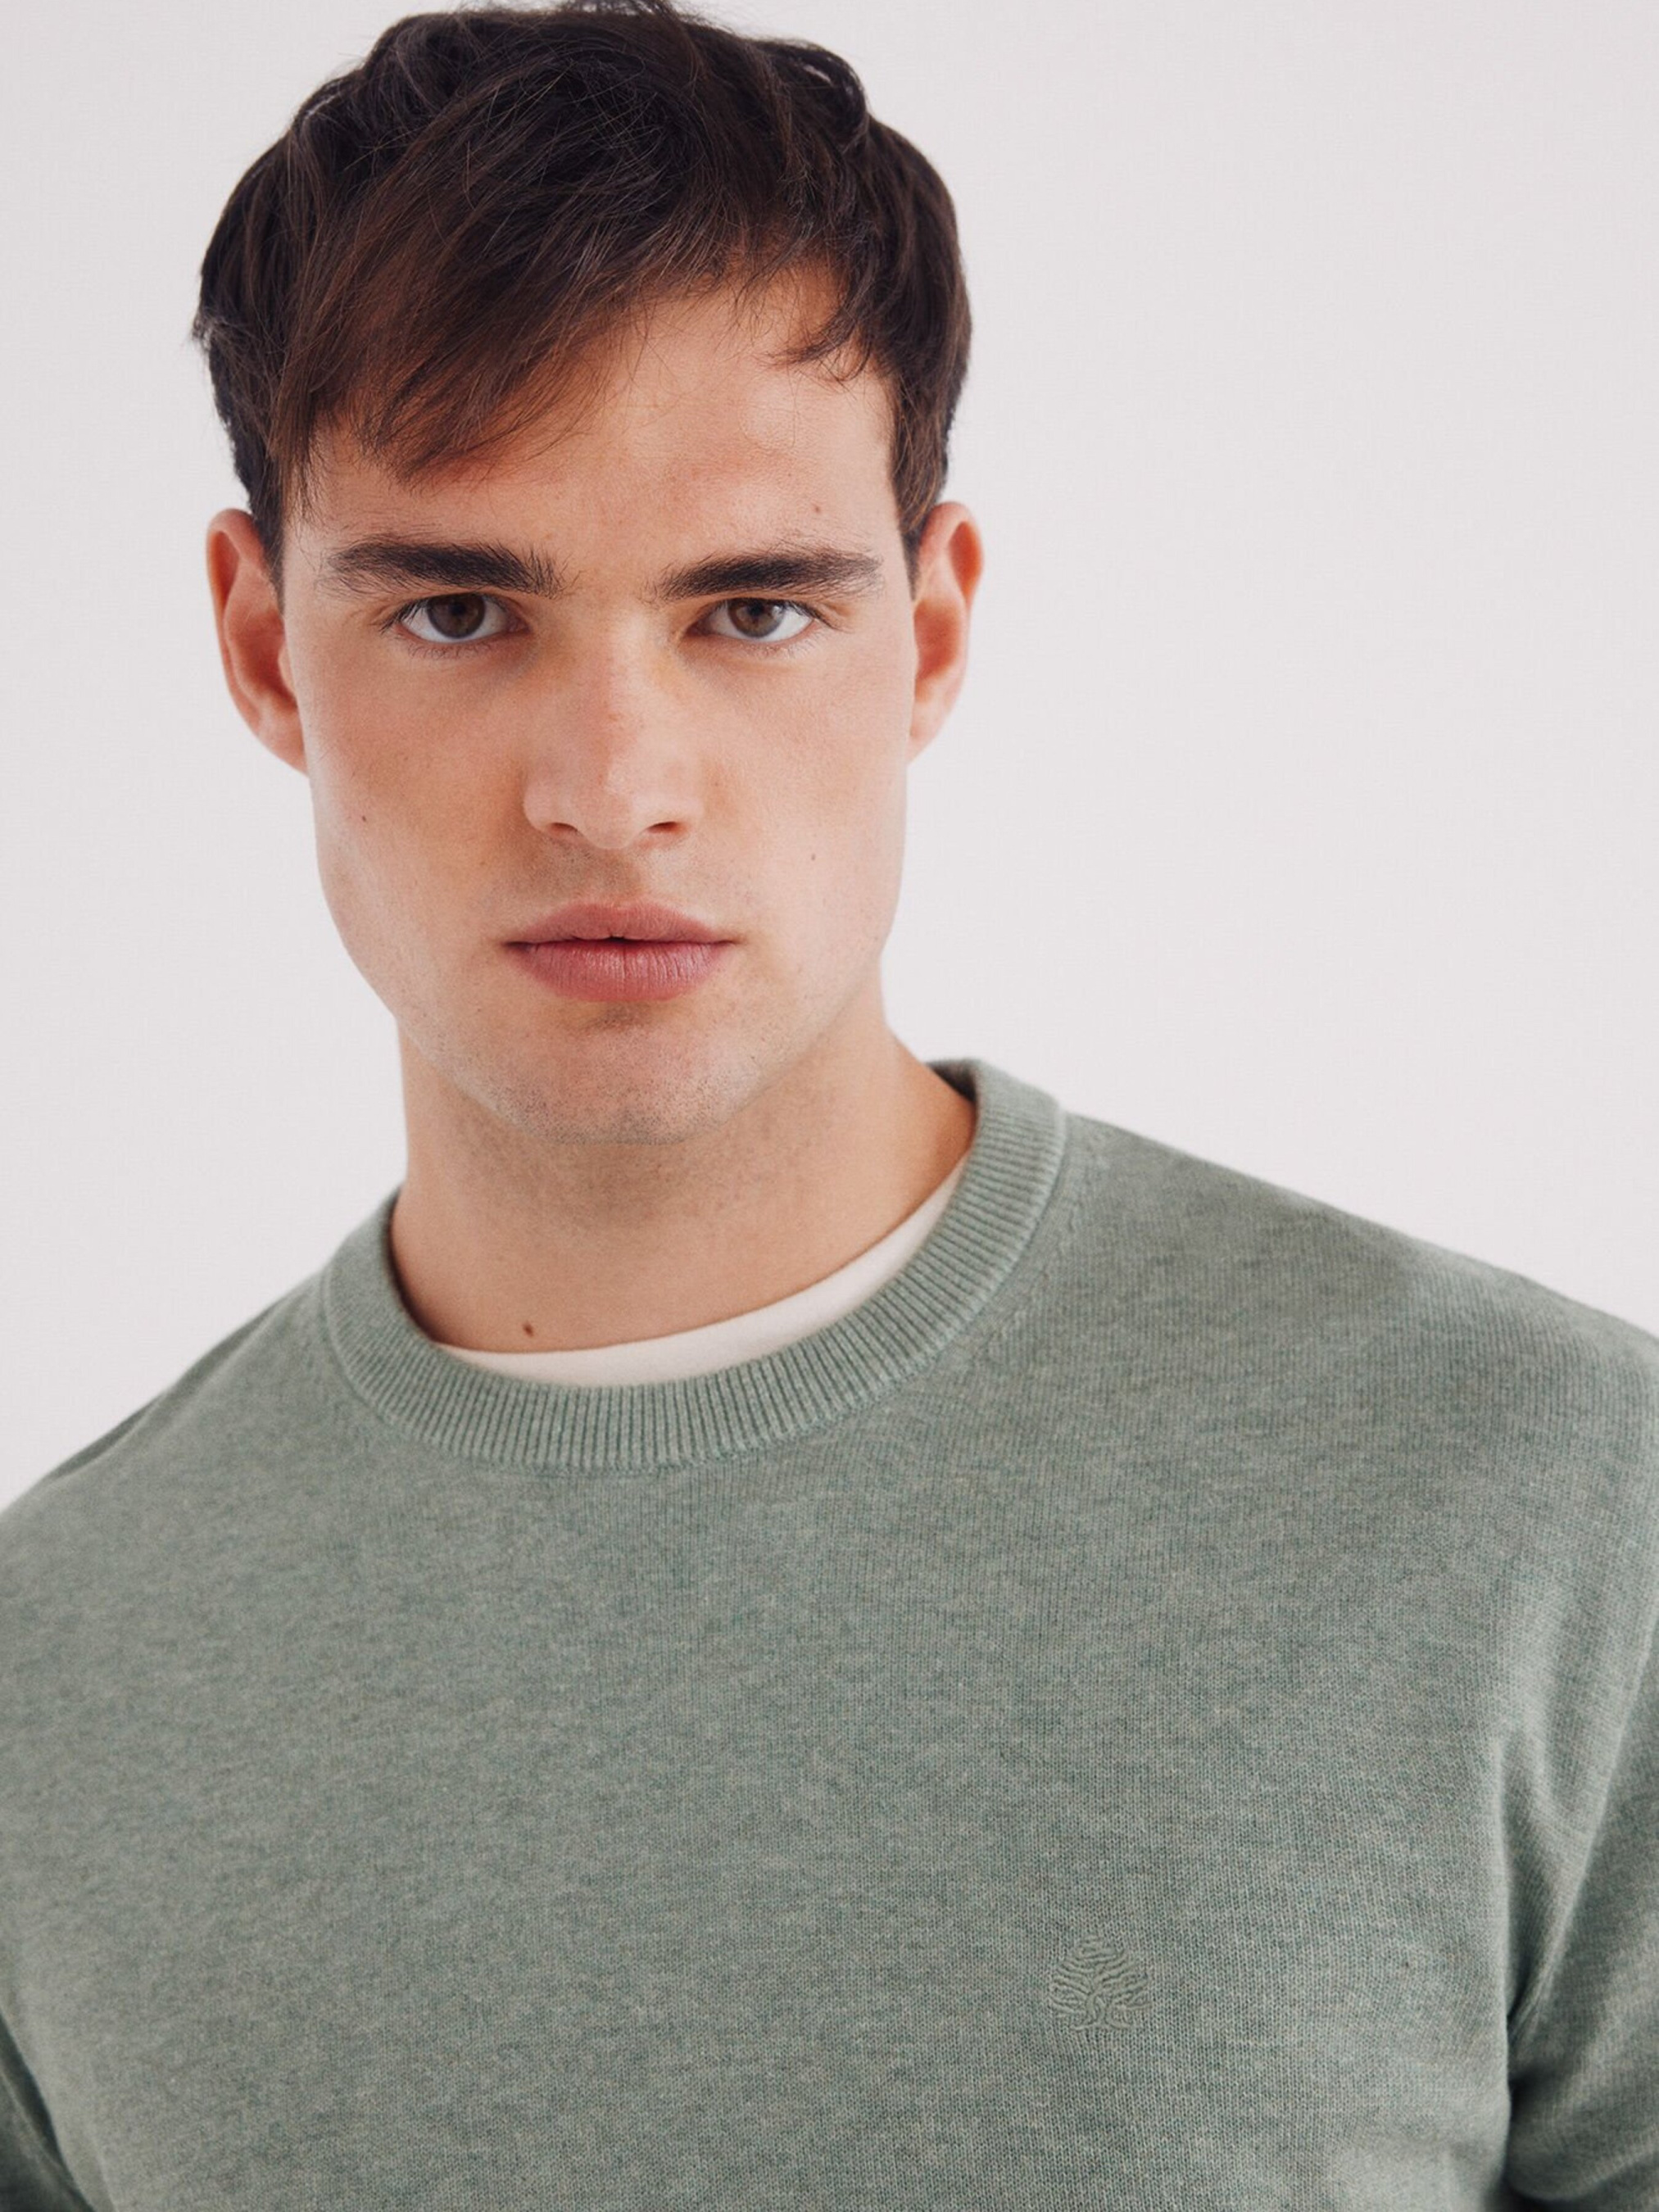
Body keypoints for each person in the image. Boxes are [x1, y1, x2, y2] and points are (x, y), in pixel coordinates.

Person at [2, 2, 1655, 2204]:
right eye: (461, 610)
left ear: (932, 631)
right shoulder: (53, 1687)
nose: (614, 789)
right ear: (259, 642)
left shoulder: (1549, 1509)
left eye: (756, 611)